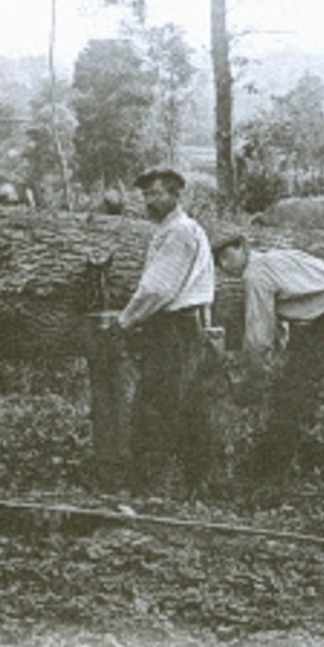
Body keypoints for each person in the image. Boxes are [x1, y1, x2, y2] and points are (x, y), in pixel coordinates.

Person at [212, 232, 324, 476]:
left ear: (243, 247)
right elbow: (279, 324)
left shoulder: (255, 274)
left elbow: (259, 338)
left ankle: (268, 473)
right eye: (219, 262)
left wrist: (252, 380)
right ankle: (312, 465)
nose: (225, 266)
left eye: (227, 256)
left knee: (296, 395)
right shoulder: (275, 258)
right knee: (318, 391)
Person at [112, 166, 217, 492]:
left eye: (157, 193)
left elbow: (157, 289)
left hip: (174, 328)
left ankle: (150, 486)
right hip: (184, 326)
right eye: (146, 195)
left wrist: (123, 321)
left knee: (157, 405)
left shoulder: (180, 232)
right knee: (185, 404)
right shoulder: (179, 230)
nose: (150, 200)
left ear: (175, 195)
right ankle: (193, 483)